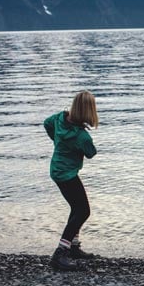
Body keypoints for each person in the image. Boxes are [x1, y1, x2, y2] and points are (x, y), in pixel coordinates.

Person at [43, 90, 99, 271]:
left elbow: (47, 123)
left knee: (76, 208)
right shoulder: (82, 136)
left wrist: (58, 140)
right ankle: (60, 253)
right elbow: (91, 153)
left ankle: (73, 247)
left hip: (57, 170)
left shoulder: (59, 119)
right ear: (89, 111)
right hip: (67, 174)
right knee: (83, 211)